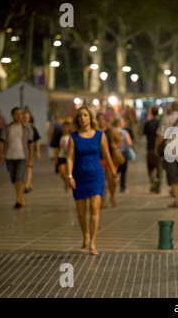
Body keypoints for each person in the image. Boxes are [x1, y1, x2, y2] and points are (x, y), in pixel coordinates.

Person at [66, 106, 118, 256]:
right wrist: (69, 176)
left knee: (94, 208)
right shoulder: (73, 137)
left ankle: (93, 242)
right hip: (79, 176)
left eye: (85, 115)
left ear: (90, 118)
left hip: (96, 175)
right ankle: (85, 236)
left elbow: (107, 156)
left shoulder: (100, 135)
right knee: (81, 212)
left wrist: (114, 173)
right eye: (80, 116)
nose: (83, 118)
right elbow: (69, 157)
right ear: (77, 119)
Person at [0, 107, 34, 208]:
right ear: (12, 115)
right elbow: (2, 141)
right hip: (9, 157)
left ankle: (18, 199)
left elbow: (31, 144)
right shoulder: (7, 128)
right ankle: (21, 198)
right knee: (14, 179)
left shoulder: (27, 128)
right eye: (16, 114)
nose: (19, 116)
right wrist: (1, 153)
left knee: (19, 177)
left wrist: (30, 159)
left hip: (22, 156)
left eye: (20, 114)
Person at [155, 100, 178, 208]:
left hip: (169, 150)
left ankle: (177, 199)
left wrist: (156, 148)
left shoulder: (165, 119)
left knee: (172, 174)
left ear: (171, 108)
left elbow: (161, 136)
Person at [97, 113, 122, 207]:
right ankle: (103, 201)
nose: (101, 121)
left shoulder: (110, 131)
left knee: (112, 181)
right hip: (100, 159)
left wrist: (115, 146)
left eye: (102, 119)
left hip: (111, 159)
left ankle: (112, 196)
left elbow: (119, 140)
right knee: (102, 181)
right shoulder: (95, 132)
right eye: (99, 119)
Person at [143, 106, 162, 193]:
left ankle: (153, 180)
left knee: (150, 167)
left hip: (150, 148)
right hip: (159, 149)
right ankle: (158, 186)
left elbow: (146, 136)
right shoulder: (161, 123)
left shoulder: (147, 123)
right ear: (158, 113)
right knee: (159, 168)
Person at [113, 117, 133, 193]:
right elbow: (130, 143)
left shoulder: (112, 131)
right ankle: (122, 187)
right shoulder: (124, 132)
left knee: (115, 169)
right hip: (123, 153)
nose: (124, 123)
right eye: (122, 122)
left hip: (114, 153)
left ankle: (113, 184)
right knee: (123, 171)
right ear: (119, 123)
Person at [23, 111, 41, 193]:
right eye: (24, 117)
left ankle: (27, 185)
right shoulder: (20, 127)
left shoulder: (32, 128)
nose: (26, 119)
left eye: (27, 118)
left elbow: (36, 141)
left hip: (29, 151)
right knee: (23, 168)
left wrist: (38, 152)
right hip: (21, 151)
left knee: (29, 167)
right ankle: (29, 183)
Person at [55, 121, 71, 192]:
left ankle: (68, 182)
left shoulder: (72, 136)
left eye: (67, 127)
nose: (66, 128)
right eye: (64, 127)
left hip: (69, 157)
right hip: (61, 156)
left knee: (69, 172)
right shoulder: (59, 136)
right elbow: (57, 148)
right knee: (62, 171)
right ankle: (66, 181)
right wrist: (56, 157)